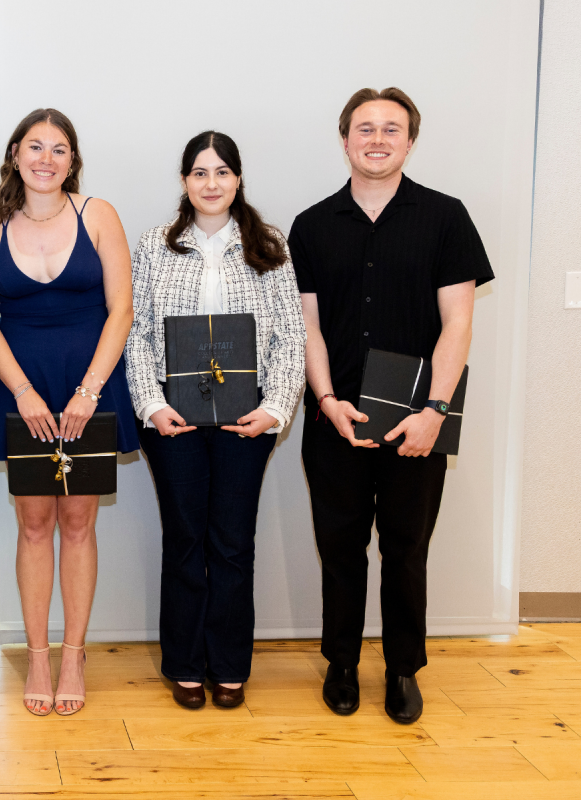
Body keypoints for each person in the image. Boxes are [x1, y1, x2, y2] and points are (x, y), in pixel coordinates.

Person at [289, 88, 493, 723]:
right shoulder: (312, 224)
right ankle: (342, 664)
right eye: (364, 128)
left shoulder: (445, 217)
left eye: (391, 129)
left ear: (410, 141)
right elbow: (309, 328)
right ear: (345, 138)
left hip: (419, 418)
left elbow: (457, 324)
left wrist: (435, 407)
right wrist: (324, 402)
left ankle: (403, 667)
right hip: (337, 417)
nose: (377, 139)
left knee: (408, 548)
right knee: (341, 546)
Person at [124, 131, 305, 710]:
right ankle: (184, 664)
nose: (211, 183)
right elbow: (136, 332)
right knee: (184, 541)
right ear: (184, 182)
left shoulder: (268, 243)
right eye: (200, 173)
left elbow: (290, 338)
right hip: (173, 419)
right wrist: (152, 405)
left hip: (244, 420)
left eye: (222, 172)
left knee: (230, 544)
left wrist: (274, 409)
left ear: (238, 179)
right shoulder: (155, 245)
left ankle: (228, 665)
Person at [0, 108, 137, 716]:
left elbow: (121, 310)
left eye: (59, 149)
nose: (46, 159)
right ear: (15, 154)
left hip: (88, 385)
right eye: (35, 147)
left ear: (73, 160)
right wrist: (21, 391)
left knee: (78, 524)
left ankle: (74, 653)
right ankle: (38, 654)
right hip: (23, 391)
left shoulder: (100, 216)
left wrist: (91, 390)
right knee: (33, 523)